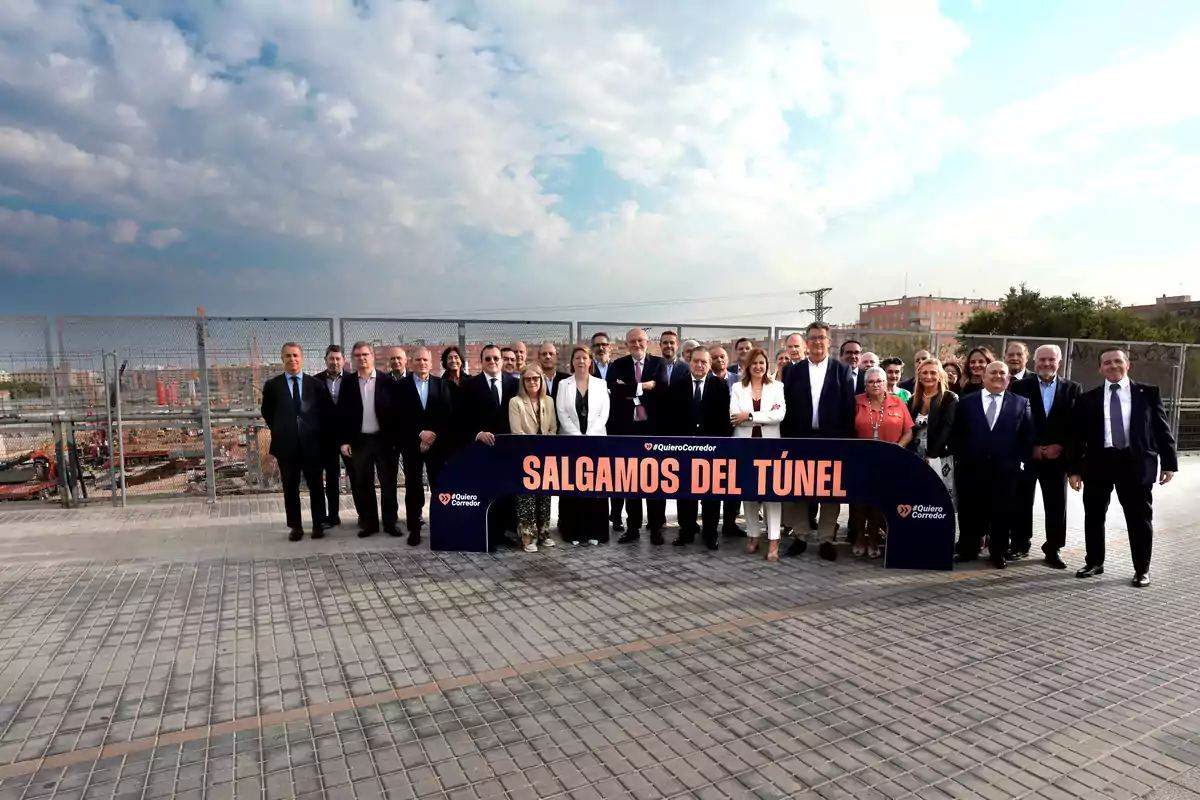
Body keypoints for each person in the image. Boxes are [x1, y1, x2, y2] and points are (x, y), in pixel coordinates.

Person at [1069, 349, 1177, 587]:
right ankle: (1094, 562)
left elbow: (1161, 429)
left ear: (1127, 364)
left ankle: (1142, 569)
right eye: (1107, 362)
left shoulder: (1147, 393)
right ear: (1100, 369)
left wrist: (1169, 463)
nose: (1113, 365)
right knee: (1094, 516)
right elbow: (1077, 437)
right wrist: (1074, 469)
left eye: (1118, 361)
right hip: (1099, 464)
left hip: (1135, 464)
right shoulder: (1088, 398)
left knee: (1139, 518)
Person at [780, 321, 856, 560]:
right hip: (800, 438)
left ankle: (825, 539)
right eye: (812, 337)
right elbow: (787, 407)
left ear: (828, 341)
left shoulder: (840, 370)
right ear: (806, 342)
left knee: (830, 491)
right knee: (799, 489)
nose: (817, 341)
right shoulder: (793, 370)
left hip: (831, 439)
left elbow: (848, 408)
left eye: (821, 337)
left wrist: (843, 439)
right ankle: (800, 536)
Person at [951, 361, 1034, 569]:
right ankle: (968, 549)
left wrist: (1018, 462)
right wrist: (963, 458)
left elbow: (1027, 436)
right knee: (969, 510)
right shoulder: (966, 402)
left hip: (1006, 470)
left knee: (1002, 513)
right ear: (984, 376)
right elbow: (957, 434)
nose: (998, 376)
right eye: (993, 372)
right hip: (971, 468)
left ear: (1008, 378)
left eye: (1002, 373)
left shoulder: (1021, 403)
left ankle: (998, 552)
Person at [1010, 344, 1080, 568]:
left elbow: (1076, 426)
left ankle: (1054, 548)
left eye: (1051, 360)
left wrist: (1060, 446)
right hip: (1029, 456)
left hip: (1057, 458)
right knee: (1021, 502)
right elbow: (1014, 421)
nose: (1046, 364)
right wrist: (1030, 448)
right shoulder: (1020, 386)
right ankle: (1020, 544)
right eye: (1042, 360)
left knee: (1056, 504)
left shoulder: (1073, 388)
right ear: (1034, 362)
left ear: (1059, 363)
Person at [261, 343, 332, 541]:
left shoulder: (316, 385)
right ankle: (296, 526)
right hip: (287, 447)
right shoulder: (273, 386)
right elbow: (267, 412)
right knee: (290, 488)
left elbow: (325, 413)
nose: (292, 359)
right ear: (282, 359)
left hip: (312, 446)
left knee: (316, 486)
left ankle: (318, 524)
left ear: (302, 358)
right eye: (288, 356)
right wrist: (282, 429)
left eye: (295, 355)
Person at [607, 328, 669, 544]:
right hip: (627, 430)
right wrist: (643, 387)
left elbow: (661, 390)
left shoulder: (658, 363)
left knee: (654, 482)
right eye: (632, 341)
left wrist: (629, 390)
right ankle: (632, 528)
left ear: (647, 342)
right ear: (626, 344)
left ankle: (655, 528)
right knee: (631, 481)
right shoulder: (618, 364)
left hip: (652, 430)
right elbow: (613, 389)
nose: (637, 344)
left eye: (640, 340)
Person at [666, 347, 732, 549]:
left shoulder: (721, 386)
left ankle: (710, 534)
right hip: (683, 450)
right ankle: (686, 531)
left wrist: (717, 446)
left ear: (709, 364)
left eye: (704, 362)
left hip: (711, 451)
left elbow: (725, 421)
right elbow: (670, 421)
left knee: (711, 494)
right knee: (685, 493)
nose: (699, 365)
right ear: (689, 362)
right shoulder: (677, 386)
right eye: (696, 361)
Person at [338, 341, 403, 538]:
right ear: (353, 359)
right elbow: (342, 414)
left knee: (388, 483)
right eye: (357, 355)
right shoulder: (348, 383)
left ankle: (390, 522)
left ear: (372, 357)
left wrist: (395, 440)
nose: (362, 358)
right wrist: (344, 441)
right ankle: (370, 523)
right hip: (360, 442)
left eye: (365, 354)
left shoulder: (387, 382)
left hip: (384, 442)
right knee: (363, 483)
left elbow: (397, 414)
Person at [460, 344, 521, 548]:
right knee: (486, 491)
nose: (493, 362)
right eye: (488, 359)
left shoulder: (514, 384)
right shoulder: (469, 386)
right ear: (481, 361)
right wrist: (477, 434)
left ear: (502, 360)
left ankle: (504, 532)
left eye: (496, 358)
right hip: (482, 449)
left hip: (508, 449)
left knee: (506, 492)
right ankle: (488, 534)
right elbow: (461, 419)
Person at [730, 348, 787, 562]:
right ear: (748, 365)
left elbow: (779, 415)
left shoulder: (777, 387)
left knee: (772, 494)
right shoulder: (737, 387)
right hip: (745, 446)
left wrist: (750, 415)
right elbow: (734, 417)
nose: (758, 367)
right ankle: (753, 534)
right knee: (749, 493)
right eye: (754, 363)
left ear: (767, 365)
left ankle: (773, 540)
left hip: (769, 447)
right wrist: (764, 415)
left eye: (762, 363)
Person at [851, 367, 914, 559]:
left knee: (879, 502)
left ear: (886, 383)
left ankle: (873, 539)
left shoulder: (898, 402)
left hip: (888, 460)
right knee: (859, 502)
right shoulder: (856, 402)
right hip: (861, 460)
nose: (875, 385)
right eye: (871, 382)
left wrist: (897, 449)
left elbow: (909, 431)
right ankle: (860, 537)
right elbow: (847, 428)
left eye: (879, 381)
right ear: (865, 385)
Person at [396, 348, 453, 547]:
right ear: (411, 363)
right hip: (412, 444)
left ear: (431, 363)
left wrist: (431, 436)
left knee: (438, 483)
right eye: (418, 359)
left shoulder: (441, 385)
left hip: (436, 444)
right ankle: (414, 527)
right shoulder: (401, 387)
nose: (422, 363)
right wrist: (420, 434)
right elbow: (400, 417)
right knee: (413, 485)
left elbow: (446, 414)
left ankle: (442, 523)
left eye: (425, 359)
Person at [556, 345, 611, 546]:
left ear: (590, 361)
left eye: (584, 358)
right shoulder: (563, 385)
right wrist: (578, 435)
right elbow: (561, 412)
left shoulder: (600, 384)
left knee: (595, 487)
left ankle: (596, 532)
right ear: (572, 361)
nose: (581, 361)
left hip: (596, 442)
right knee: (572, 486)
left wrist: (589, 435)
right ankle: (574, 532)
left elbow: (603, 414)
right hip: (571, 442)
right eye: (577, 358)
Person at [509, 364, 557, 552]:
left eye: (535, 378)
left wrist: (545, 443)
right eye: (528, 379)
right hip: (525, 456)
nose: (532, 382)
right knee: (526, 497)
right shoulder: (516, 402)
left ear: (541, 380)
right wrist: (533, 447)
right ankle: (528, 536)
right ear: (523, 382)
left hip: (545, 456)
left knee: (544, 495)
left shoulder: (549, 401)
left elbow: (553, 428)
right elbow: (516, 431)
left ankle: (544, 532)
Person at [907, 358, 958, 509]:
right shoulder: (913, 400)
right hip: (916, 456)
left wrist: (932, 455)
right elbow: (909, 428)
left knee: (939, 499)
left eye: (933, 373)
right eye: (924, 373)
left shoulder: (949, 398)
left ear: (940, 375)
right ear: (919, 375)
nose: (928, 376)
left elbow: (946, 428)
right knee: (919, 498)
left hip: (939, 456)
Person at [315, 344, 356, 527]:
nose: (335, 362)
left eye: (338, 358)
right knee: (331, 478)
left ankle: (364, 514)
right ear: (325, 360)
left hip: (349, 438)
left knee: (356, 476)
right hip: (326, 439)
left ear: (344, 361)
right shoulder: (315, 381)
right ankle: (332, 516)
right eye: (331, 359)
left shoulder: (353, 380)